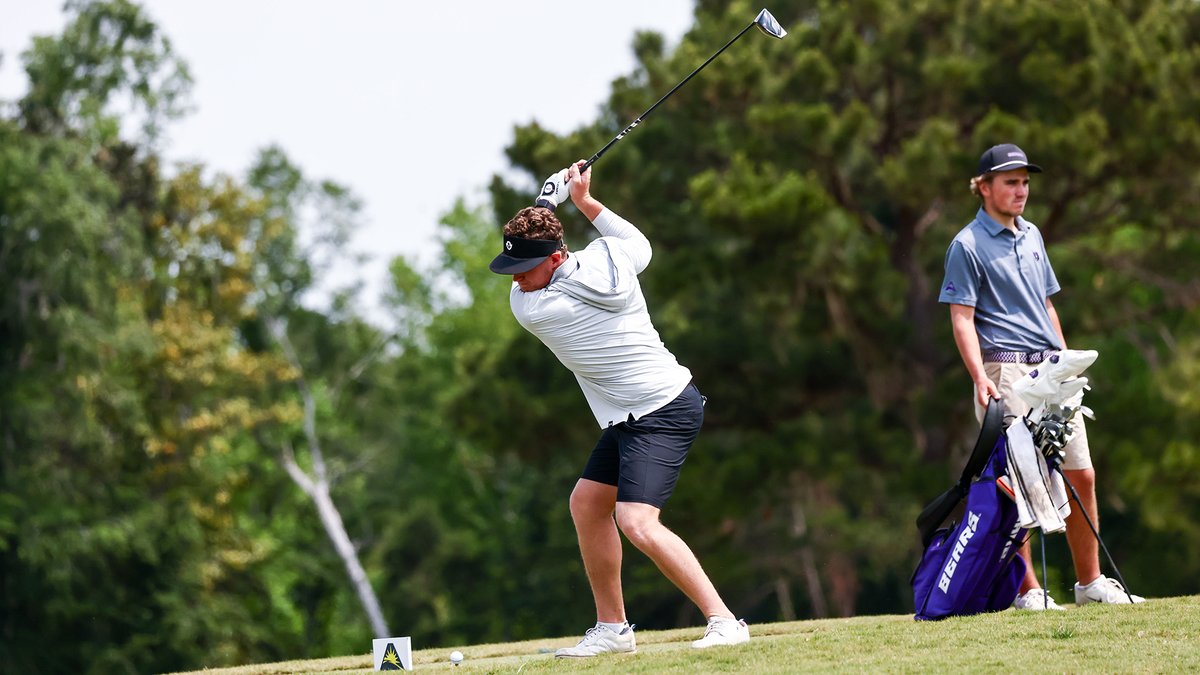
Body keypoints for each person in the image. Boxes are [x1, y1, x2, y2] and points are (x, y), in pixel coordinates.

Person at [488, 161, 749, 657]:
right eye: (513, 270)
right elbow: (638, 245)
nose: (518, 280)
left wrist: (548, 199)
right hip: (632, 414)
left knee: (635, 521)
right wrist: (584, 201)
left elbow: (547, 275)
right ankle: (613, 629)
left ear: (556, 259)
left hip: (662, 409)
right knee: (587, 505)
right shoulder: (609, 261)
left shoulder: (534, 309)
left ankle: (724, 621)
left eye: (524, 269)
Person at [939, 143, 1143, 610]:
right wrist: (978, 377)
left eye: (1025, 181)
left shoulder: (1032, 235)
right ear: (984, 187)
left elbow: (1047, 303)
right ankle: (1028, 591)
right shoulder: (966, 245)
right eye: (1010, 182)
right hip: (1004, 369)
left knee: (1081, 474)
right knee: (1019, 482)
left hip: (1050, 368)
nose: (1021, 190)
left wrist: (1067, 359)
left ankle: (1090, 584)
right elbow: (962, 319)